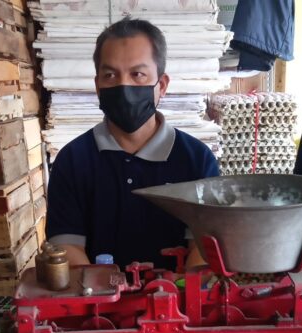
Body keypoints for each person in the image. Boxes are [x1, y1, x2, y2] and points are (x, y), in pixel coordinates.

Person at [45, 17, 220, 271]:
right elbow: (67, 247)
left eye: (137, 74)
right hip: (97, 304)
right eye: (110, 75)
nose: (123, 86)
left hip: (178, 304)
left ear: (161, 85)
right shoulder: (72, 161)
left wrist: (176, 298)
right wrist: (103, 299)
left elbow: (204, 251)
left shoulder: (196, 160)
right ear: (97, 86)